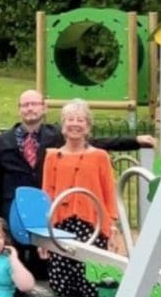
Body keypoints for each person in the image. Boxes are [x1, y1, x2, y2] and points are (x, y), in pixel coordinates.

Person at [0, 89, 155, 277]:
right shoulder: (2, 141)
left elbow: (94, 143)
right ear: (19, 109)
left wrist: (135, 141)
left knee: (48, 269)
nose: (30, 108)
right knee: (13, 268)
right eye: (25, 105)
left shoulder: (56, 135)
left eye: (34, 104)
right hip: (15, 210)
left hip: (51, 208)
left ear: (44, 108)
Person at [40, 99, 120, 297]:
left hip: (92, 224)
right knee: (62, 284)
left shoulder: (100, 156)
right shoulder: (52, 156)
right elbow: (46, 193)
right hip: (60, 226)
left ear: (88, 127)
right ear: (63, 125)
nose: (75, 124)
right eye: (70, 119)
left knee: (92, 283)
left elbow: (109, 192)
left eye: (80, 120)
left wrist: (112, 226)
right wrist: (44, 234)